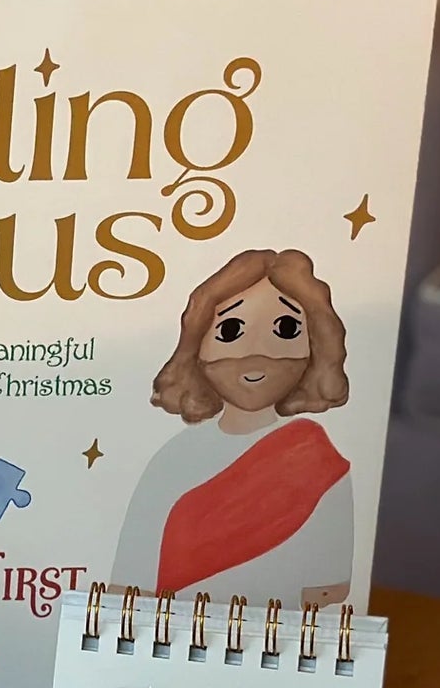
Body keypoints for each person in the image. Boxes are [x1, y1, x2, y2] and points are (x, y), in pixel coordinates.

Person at [111, 249, 353, 608]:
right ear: (198, 349)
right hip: (168, 634)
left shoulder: (320, 459)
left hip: (269, 636)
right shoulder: (173, 459)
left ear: (316, 346)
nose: (256, 353)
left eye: (286, 329)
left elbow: (330, 586)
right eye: (230, 330)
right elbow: (129, 583)